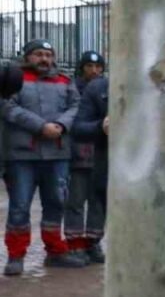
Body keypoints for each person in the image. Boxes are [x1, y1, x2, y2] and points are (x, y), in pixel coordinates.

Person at [2, 40, 81, 276]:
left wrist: (60, 125)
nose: (44, 59)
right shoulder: (13, 80)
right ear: (28, 56)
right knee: (19, 206)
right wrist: (40, 126)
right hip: (21, 156)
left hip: (58, 154)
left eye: (48, 54)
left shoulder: (65, 81)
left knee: (56, 203)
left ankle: (55, 252)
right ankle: (16, 255)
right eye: (38, 54)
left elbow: (76, 106)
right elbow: (7, 108)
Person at [65, 51, 107, 264]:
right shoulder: (72, 89)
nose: (94, 71)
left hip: (100, 155)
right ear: (81, 68)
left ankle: (93, 242)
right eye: (89, 66)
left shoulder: (106, 91)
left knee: (98, 201)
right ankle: (75, 244)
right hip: (77, 154)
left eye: (98, 66)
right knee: (76, 200)